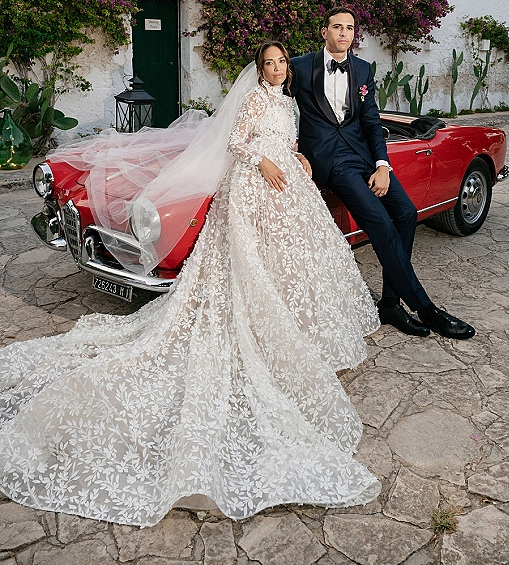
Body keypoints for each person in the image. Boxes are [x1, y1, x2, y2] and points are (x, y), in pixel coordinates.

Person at [0, 42, 381, 527]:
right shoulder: (255, 99)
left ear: (289, 68)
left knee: (293, 260)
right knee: (249, 264)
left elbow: (284, 140)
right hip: (251, 184)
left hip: (287, 183)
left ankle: (293, 323)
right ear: (259, 70)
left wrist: (296, 158)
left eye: (282, 63)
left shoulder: (287, 103)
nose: (276, 69)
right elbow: (238, 142)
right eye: (268, 63)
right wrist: (263, 162)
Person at [290, 7, 475, 340]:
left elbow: (372, 123)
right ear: (324, 31)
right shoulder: (301, 67)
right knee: (381, 226)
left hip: (362, 156)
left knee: (405, 213)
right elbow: (270, 99)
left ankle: (390, 303)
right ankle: (426, 309)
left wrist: (382, 165)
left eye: (349, 27)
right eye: (337, 27)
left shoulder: (362, 69)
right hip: (330, 162)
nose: (344, 33)